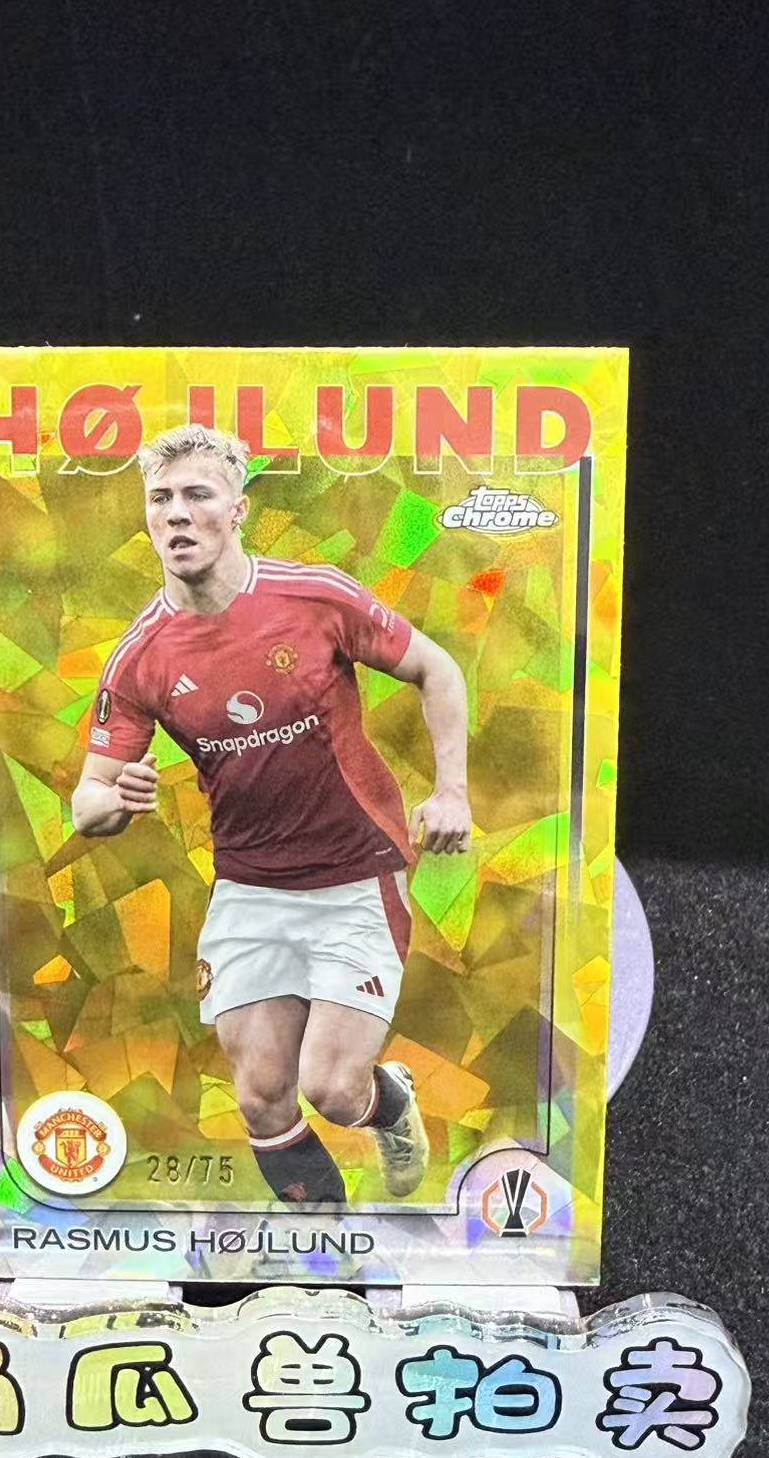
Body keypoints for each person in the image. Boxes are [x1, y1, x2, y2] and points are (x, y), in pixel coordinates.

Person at [72, 425, 472, 1206]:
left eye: (197, 494)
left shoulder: (314, 597)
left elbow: (437, 668)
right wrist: (113, 802)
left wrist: (451, 790)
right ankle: (324, 1248)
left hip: (354, 876)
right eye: (160, 498)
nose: (177, 513)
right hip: (250, 890)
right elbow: (88, 799)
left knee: (331, 1087)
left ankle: (387, 1102)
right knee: (260, 1096)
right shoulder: (141, 657)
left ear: (238, 510)